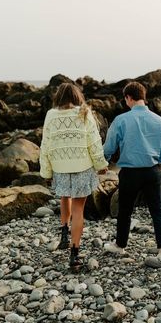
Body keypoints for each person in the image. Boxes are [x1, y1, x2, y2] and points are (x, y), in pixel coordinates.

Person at [39, 83, 108, 269]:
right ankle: (74, 254)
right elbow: (94, 142)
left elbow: (45, 144)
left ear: (58, 97)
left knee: (64, 196)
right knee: (79, 209)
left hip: (60, 167)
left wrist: (46, 171)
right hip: (82, 167)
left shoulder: (50, 115)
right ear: (77, 96)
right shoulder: (85, 112)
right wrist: (101, 165)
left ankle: (64, 232)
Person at [103, 81, 161, 262]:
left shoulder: (121, 120)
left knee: (125, 210)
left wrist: (103, 161)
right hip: (152, 171)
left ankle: (120, 246)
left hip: (130, 172)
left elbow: (109, 146)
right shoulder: (159, 120)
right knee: (157, 209)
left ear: (128, 98)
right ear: (144, 97)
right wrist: (159, 165)